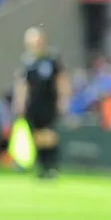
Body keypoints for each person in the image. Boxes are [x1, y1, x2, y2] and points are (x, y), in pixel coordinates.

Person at [13, 27, 70, 178]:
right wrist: (20, 103)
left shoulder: (52, 59)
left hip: (49, 102)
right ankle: (42, 166)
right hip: (33, 104)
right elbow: (23, 84)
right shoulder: (28, 62)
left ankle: (51, 165)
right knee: (37, 135)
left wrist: (63, 99)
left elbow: (61, 80)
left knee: (49, 134)